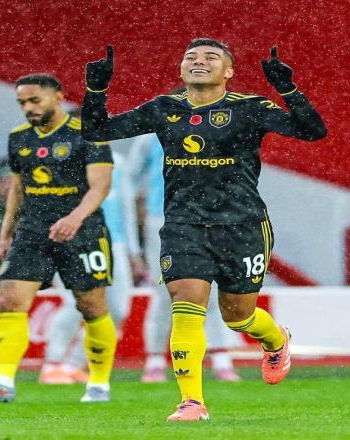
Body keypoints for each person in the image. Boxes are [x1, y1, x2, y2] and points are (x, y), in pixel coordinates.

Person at [82, 39, 327, 421]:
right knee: (186, 301)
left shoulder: (250, 108)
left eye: (211, 57)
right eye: (191, 57)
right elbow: (96, 130)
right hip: (184, 224)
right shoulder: (164, 108)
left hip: (243, 225)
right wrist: (96, 90)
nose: (199, 61)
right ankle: (191, 401)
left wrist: (287, 89)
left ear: (228, 71)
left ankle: (276, 339)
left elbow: (313, 131)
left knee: (238, 316)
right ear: (181, 70)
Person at [0, 73, 116, 403]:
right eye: (22, 103)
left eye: (34, 100)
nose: (28, 108)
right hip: (33, 229)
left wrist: (74, 218)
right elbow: (17, 188)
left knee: (91, 306)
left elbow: (100, 186)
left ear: (57, 97)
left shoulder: (88, 134)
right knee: (11, 297)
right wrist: (6, 230)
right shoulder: (19, 138)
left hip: (83, 230)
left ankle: (99, 383)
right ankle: (1, 381)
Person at [127, 134, 240, 383]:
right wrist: (133, 221)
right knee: (164, 292)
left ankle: (221, 359)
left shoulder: (213, 131)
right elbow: (129, 181)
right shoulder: (151, 138)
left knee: (209, 289)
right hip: (161, 220)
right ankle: (155, 360)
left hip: (205, 220)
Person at [39, 151, 137, 384]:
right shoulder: (60, 156)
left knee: (118, 310)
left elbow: (126, 207)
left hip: (115, 243)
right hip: (73, 240)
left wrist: (133, 250)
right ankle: (52, 364)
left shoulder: (117, 161)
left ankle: (74, 365)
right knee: (74, 304)